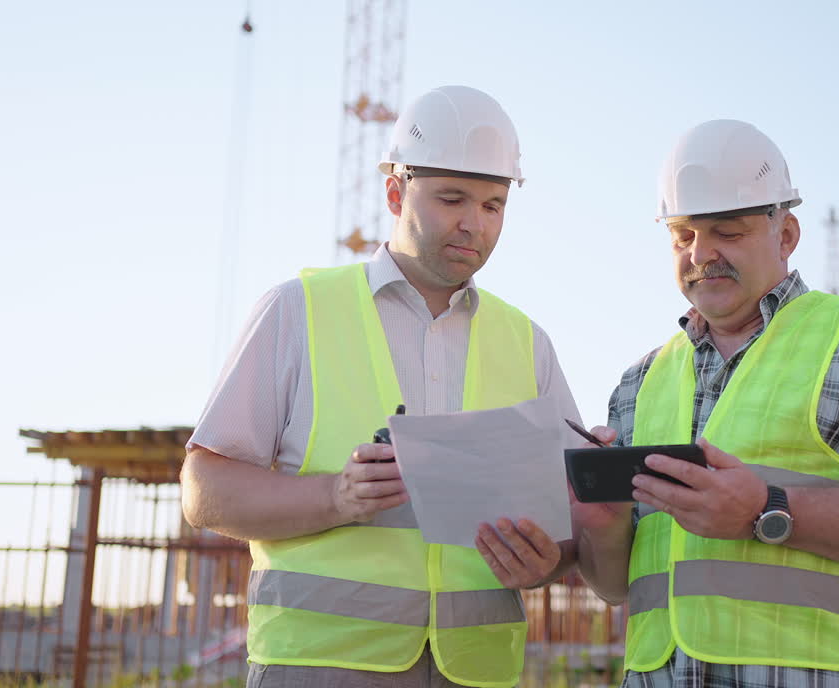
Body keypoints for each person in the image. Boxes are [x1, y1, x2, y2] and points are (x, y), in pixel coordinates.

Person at [181, 85, 582, 688]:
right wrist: (336, 498)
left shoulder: (529, 343)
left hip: (475, 672)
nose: (474, 224)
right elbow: (203, 491)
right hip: (320, 667)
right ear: (396, 192)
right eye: (452, 199)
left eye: (494, 205)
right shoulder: (297, 311)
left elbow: (571, 521)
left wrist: (549, 559)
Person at [573, 119, 839, 687]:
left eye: (727, 232)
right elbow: (616, 585)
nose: (701, 253)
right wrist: (603, 526)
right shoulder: (639, 383)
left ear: (786, 234)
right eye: (683, 235)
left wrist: (767, 509)